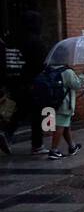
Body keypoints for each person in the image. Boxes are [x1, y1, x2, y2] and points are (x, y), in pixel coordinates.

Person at [35, 61, 84, 158]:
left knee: (65, 125)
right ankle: (54, 150)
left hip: (50, 103)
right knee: (60, 127)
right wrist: (83, 75)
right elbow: (76, 85)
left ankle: (72, 147)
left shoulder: (47, 70)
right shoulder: (67, 72)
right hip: (64, 104)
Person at [18, 11, 49, 154]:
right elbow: (42, 64)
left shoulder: (14, 39)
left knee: (20, 110)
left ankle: (7, 132)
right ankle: (39, 143)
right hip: (35, 82)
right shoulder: (37, 42)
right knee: (39, 113)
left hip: (17, 81)